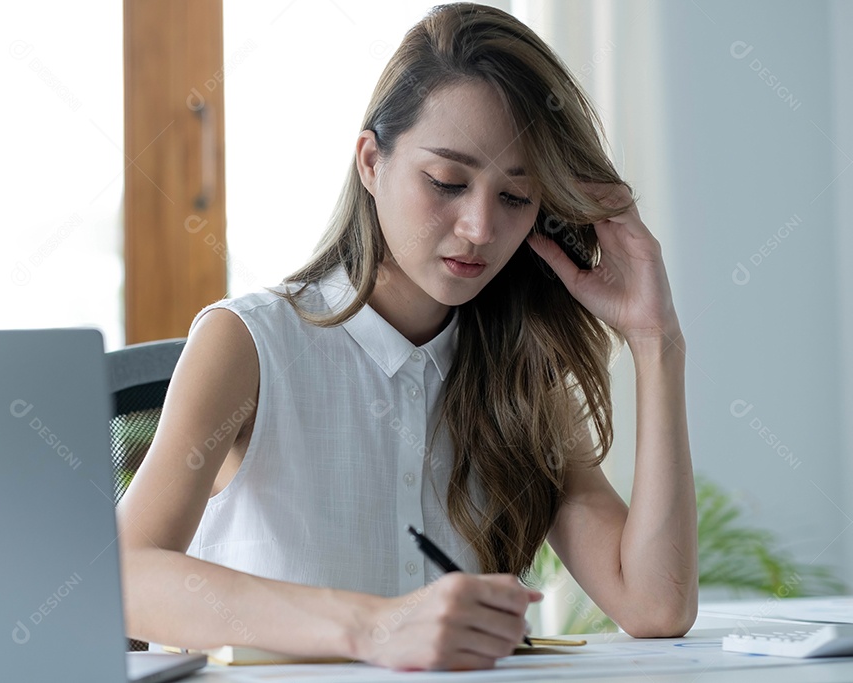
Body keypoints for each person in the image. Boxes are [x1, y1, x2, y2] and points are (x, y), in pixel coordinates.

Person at [117, 2, 697, 671]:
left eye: (515, 197)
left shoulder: (519, 375)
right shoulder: (248, 343)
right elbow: (127, 576)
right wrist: (373, 626)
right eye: (447, 181)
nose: (480, 227)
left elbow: (655, 605)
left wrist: (658, 342)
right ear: (371, 161)